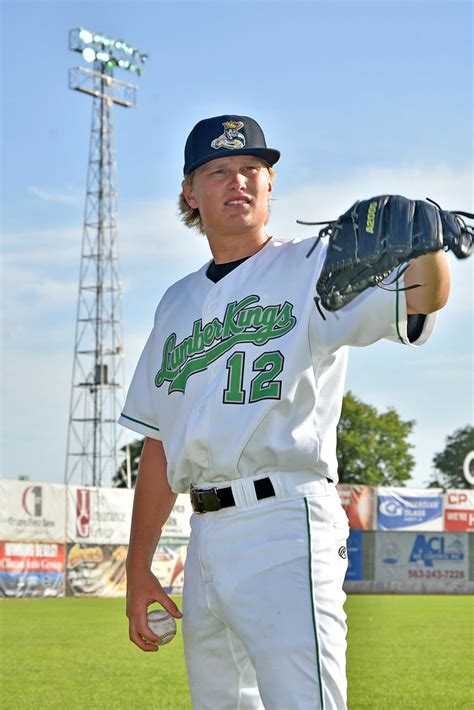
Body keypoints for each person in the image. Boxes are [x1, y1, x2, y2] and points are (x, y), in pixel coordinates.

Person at [119, 115, 450, 710]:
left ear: (271, 184)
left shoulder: (310, 265)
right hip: (204, 535)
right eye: (217, 171)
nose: (237, 181)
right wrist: (138, 565)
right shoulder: (174, 304)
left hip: (285, 521)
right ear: (191, 194)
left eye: (252, 169)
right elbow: (159, 443)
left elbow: (422, 299)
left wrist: (426, 244)